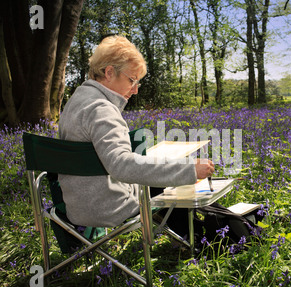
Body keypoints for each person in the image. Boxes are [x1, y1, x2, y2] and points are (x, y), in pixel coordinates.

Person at [58, 35, 214, 231]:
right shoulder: (102, 110)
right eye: (132, 80)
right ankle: (209, 237)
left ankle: (201, 233)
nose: (135, 90)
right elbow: (121, 166)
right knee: (170, 181)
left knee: (160, 174)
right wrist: (188, 169)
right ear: (109, 72)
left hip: (79, 205)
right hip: (109, 207)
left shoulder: (77, 101)